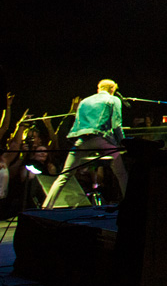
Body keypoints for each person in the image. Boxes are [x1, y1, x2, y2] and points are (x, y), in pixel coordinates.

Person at [42, 79, 128, 209]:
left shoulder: (85, 101)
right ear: (112, 90)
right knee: (121, 173)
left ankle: (46, 207)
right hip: (102, 139)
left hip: (82, 141)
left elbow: (77, 124)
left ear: (98, 89)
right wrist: (123, 142)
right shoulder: (113, 99)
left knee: (65, 175)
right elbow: (117, 124)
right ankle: (131, 205)